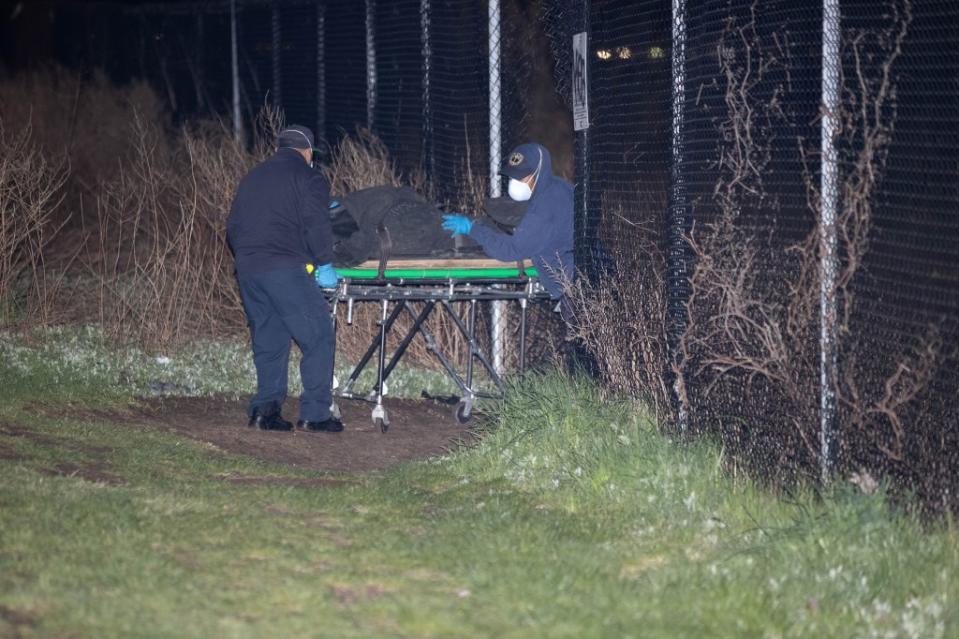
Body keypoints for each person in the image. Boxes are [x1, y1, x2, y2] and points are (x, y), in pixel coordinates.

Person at [226, 125, 344, 433]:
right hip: (285, 269)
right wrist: (324, 264)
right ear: (307, 152)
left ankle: (265, 411)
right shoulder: (309, 177)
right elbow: (316, 224)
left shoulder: (252, 177)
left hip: (249, 270)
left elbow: (233, 226)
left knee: (270, 341)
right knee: (318, 336)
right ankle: (316, 414)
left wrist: (250, 259)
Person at [441, 143, 574, 311]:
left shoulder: (543, 209)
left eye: (521, 177)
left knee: (580, 333)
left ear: (539, 172)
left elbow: (510, 250)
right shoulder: (560, 188)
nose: (515, 182)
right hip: (586, 274)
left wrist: (472, 229)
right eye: (512, 177)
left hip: (574, 285)